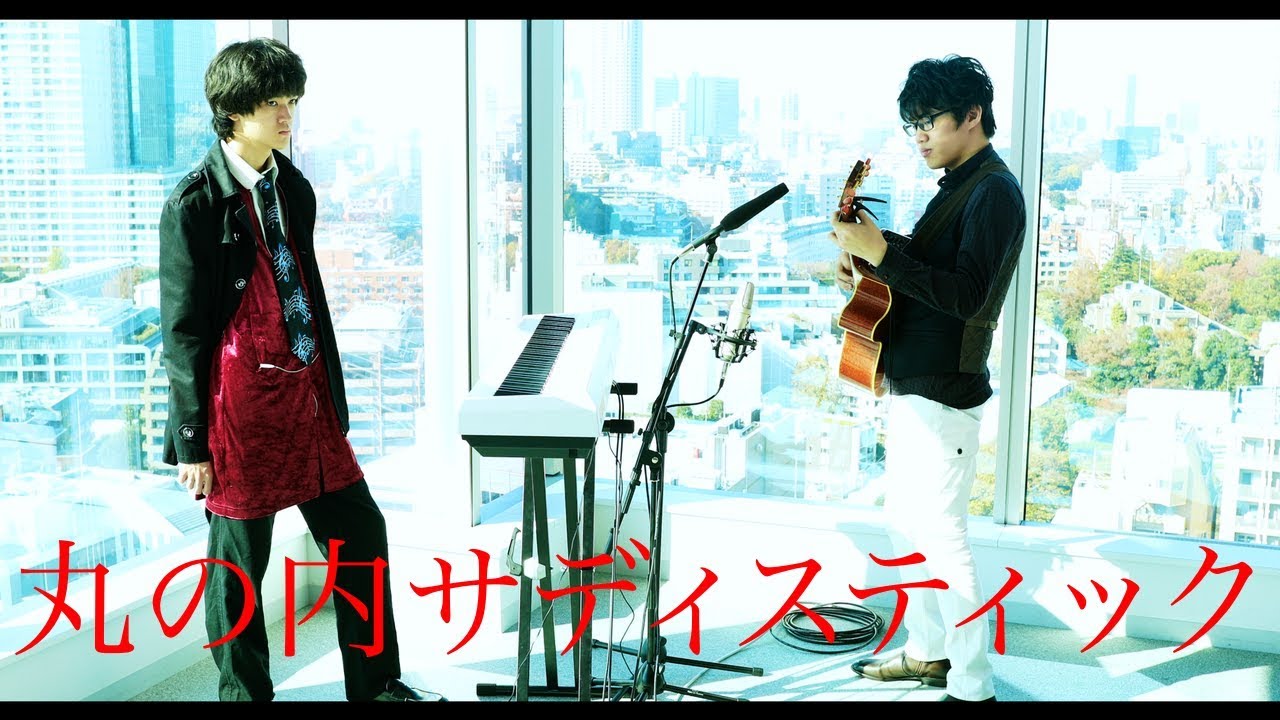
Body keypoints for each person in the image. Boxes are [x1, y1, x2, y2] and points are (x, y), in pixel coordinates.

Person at [158, 37, 445, 703]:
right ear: (234, 110)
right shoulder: (194, 204)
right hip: (240, 411)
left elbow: (306, 293)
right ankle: (243, 696)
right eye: (273, 102)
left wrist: (332, 397)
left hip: (308, 398)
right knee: (238, 569)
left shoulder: (293, 186)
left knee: (361, 534)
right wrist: (192, 440)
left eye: (291, 100)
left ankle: (376, 686)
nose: (288, 114)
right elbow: (182, 328)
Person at [829, 54, 1026, 703]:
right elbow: (930, 268)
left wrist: (883, 254)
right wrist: (870, 257)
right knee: (906, 529)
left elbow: (968, 295)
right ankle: (928, 653)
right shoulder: (960, 187)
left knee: (942, 539)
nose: (919, 136)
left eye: (929, 121)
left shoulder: (994, 191)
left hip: (945, 388)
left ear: (971, 115)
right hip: (916, 383)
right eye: (911, 125)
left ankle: (973, 684)